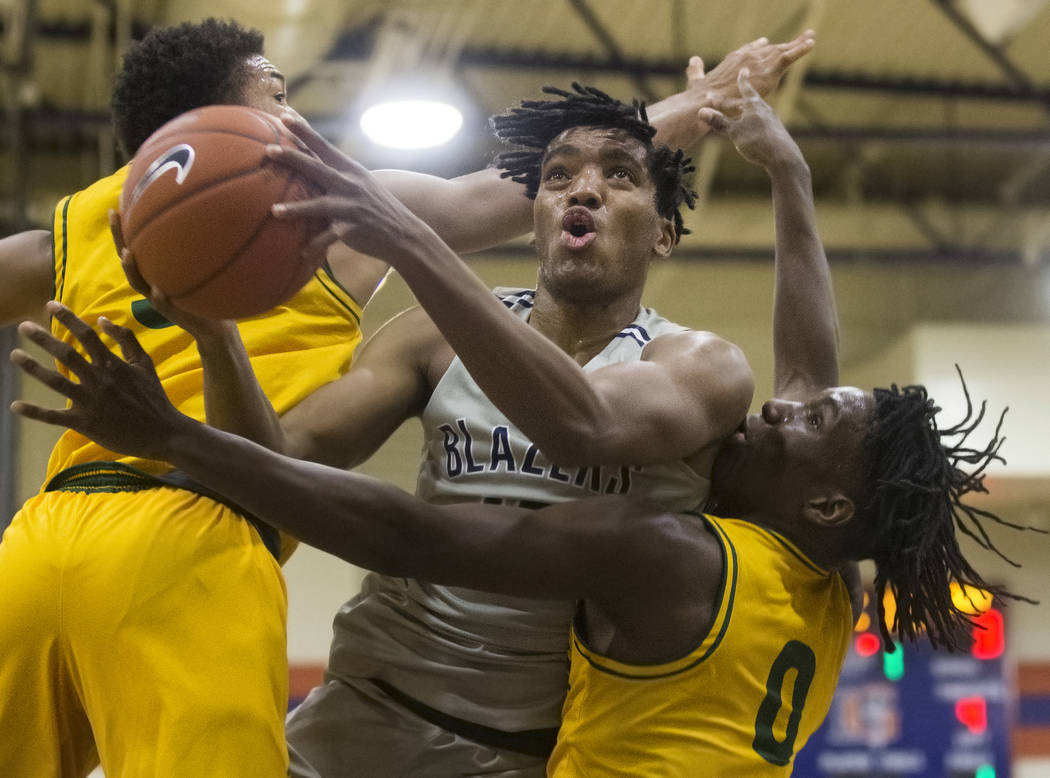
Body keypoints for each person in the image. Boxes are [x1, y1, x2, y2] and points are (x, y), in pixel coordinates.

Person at [11, 72, 1028, 776]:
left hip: (517, 750)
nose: (583, 186)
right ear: (535, 215)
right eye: (556, 176)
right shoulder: (428, 341)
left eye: (621, 175)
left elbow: (579, 425)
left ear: (666, 233)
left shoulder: (701, 373)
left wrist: (413, 239)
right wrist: (214, 325)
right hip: (358, 712)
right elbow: (276, 463)